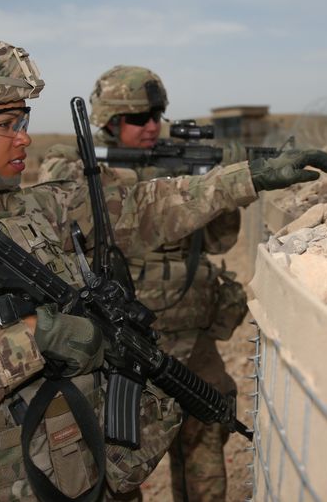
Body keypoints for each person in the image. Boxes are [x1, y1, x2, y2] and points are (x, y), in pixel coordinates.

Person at [0, 34, 327, 501]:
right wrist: (32, 339)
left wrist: (251, 176)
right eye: (8, 123)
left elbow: (149, 206)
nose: (26, 136)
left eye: (22, 120)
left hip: (85, 470)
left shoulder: (31, 206)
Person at [38, 65, 304, 502]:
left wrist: (207, 190)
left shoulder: (179, 160)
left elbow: (220, 242)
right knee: (119, 451)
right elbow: (91, 213)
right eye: (138, 118)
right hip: (121, 339)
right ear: (108, 121)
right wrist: (163, 185)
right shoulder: (76, 164)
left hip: (192, 334)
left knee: (206, 432)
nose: (151, 126)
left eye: (156, 115)